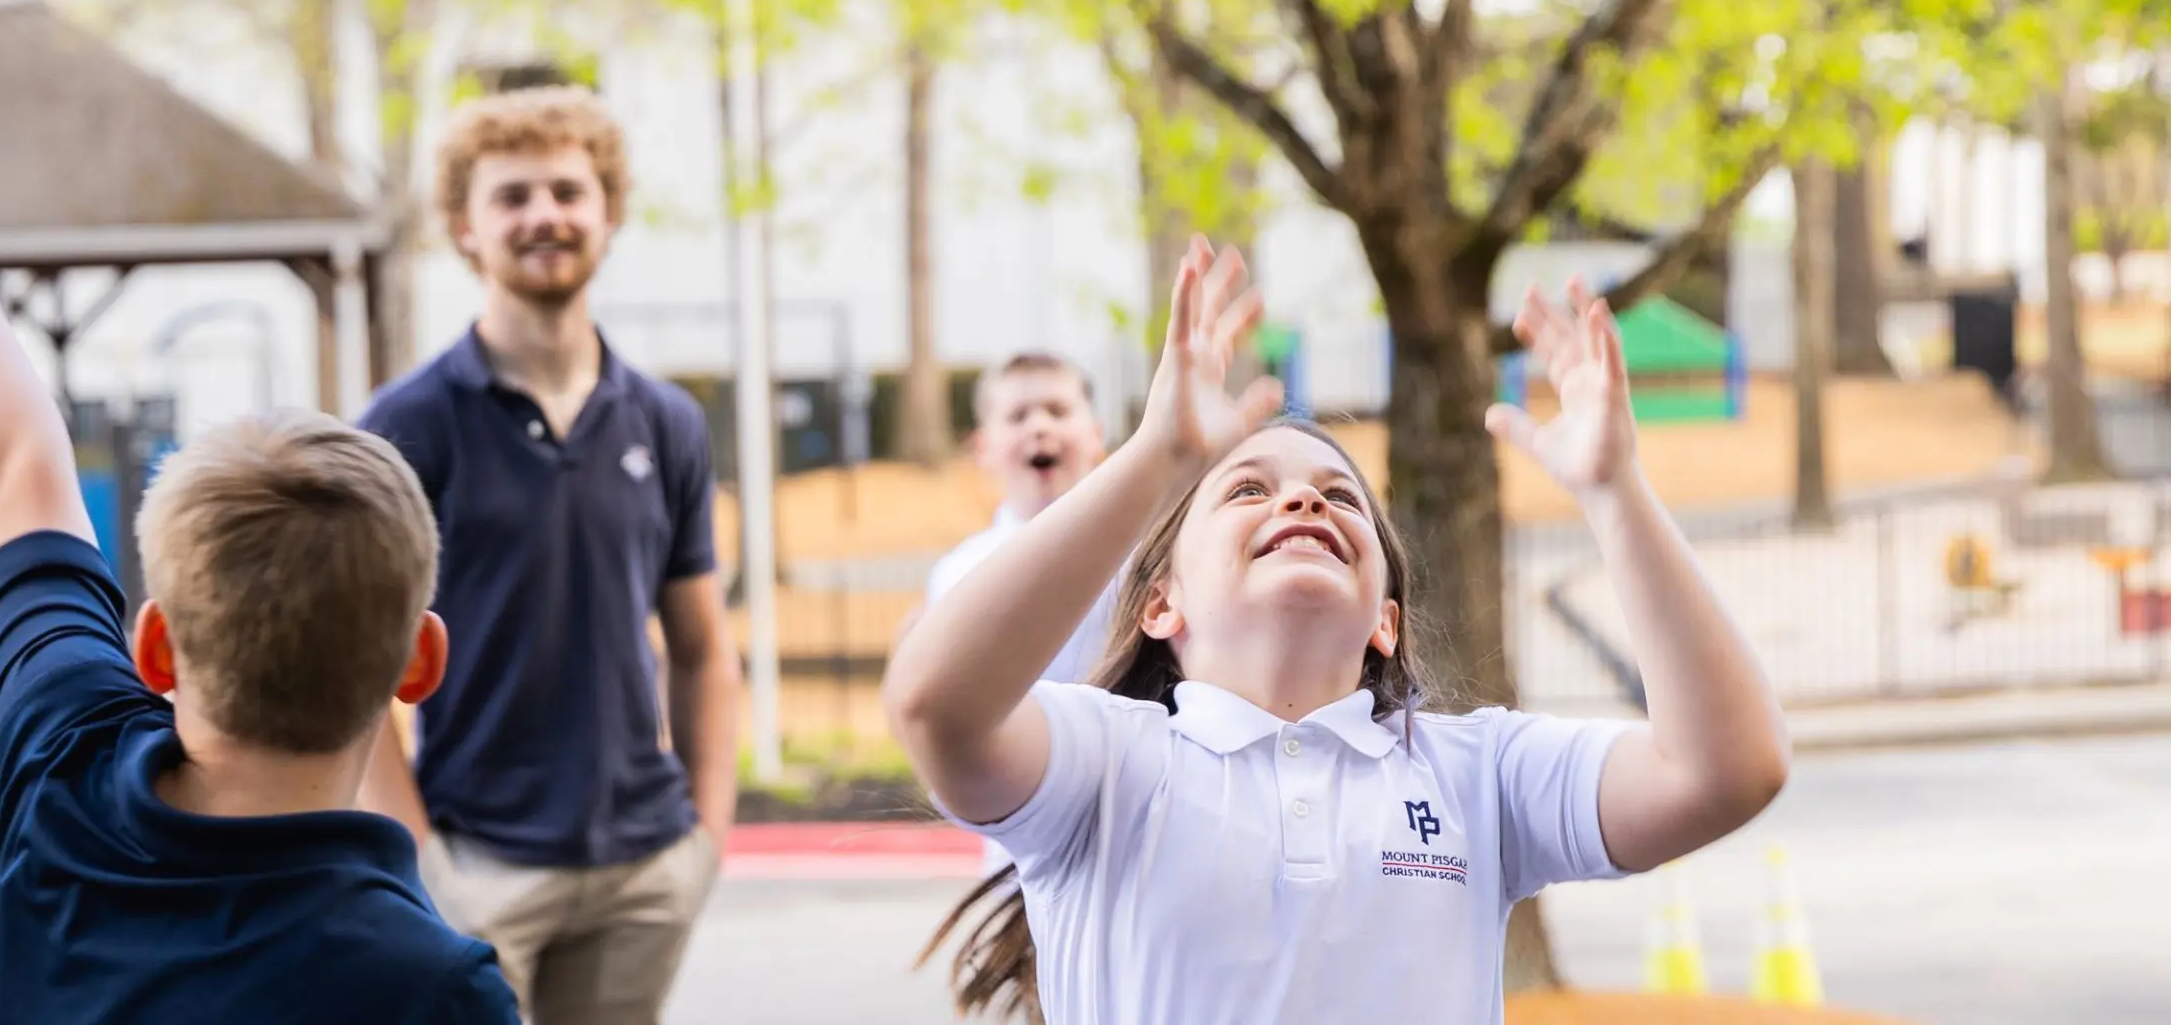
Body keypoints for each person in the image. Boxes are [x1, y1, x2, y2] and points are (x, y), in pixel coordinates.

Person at [886, 240, 1791, 1025]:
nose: (1303, 496)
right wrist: (1155, 457)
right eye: (1246, 489)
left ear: (1385, 624)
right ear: (1161, 603)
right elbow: (936, 704)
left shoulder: (1481, 777)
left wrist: (1614, 491)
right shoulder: (1102, 766)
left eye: (1340, 496)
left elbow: (1729, 768)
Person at [0, 2, 517, 1025]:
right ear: (419, 663)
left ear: (156, 646)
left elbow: (11, 465)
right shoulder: (432, 985)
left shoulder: (60, 758)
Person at [358, 86, 739, 1025]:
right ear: (465, 230)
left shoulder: (668, 422)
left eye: (569, 192)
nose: (545, 216)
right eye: (514, 196)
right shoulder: (405, 427)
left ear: (608, 214)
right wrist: (421, 862)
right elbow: (357, 675)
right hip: (475, 867)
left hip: (644, 867)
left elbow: (700, 647)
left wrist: (706, 837)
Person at [923, 354, 1117, 686]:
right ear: (983, 447)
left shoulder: (1142, 555)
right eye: (1017, 416)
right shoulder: (958, 574)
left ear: (1095, 435)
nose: (1039, 427)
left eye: (1058, 411)